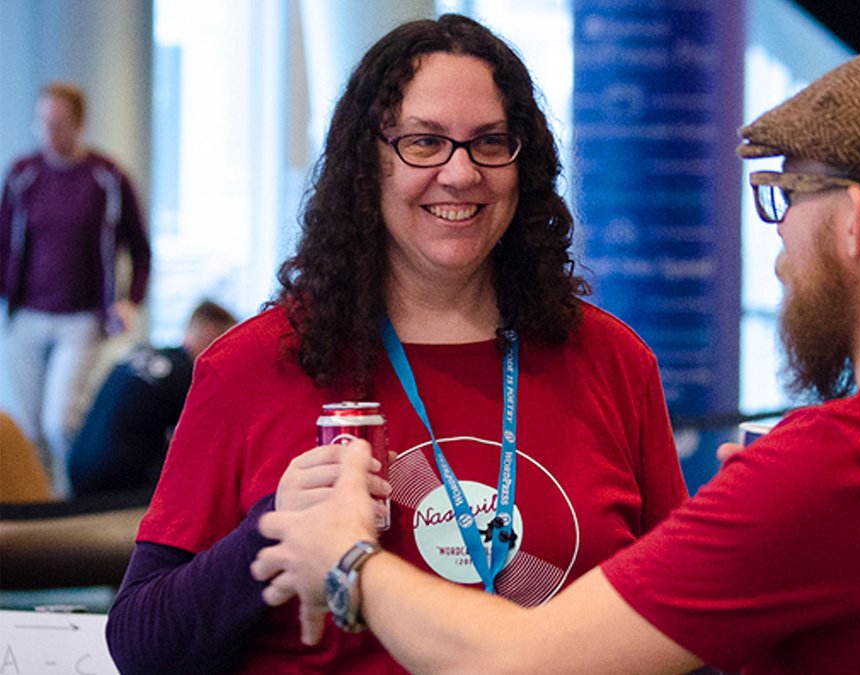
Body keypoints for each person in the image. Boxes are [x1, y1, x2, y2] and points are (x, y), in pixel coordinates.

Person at [251, 43, 860, 674]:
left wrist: (347, 562)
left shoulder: (843, 462)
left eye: (786, 195)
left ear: (854, 220)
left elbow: (516, 658)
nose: (777, 246)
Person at [105, 14, 687, 674]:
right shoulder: (252, 366)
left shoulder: (613, 362)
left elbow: (685, 623)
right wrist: (274, 528)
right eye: (424, 142)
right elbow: (140, 646)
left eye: (490, 142)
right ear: (368, 161)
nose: (461, 173)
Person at [0, 81, 152, 500]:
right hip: (27, 316)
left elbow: (140, 249)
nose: (50, 132)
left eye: (59, 123)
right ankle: (36, 513)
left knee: (59, 420)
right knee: (28, 429)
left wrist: (129, 300)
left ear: (79, 124)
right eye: (43, 123)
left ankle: (73, 505)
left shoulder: (106, 177)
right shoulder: (22, 175)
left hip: (81, 319)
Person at [68, 300, 237, 498]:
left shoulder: (139, 353)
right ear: (210, 334)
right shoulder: (187, 376)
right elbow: (206, 445)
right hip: (118, 486)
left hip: (76, 470)